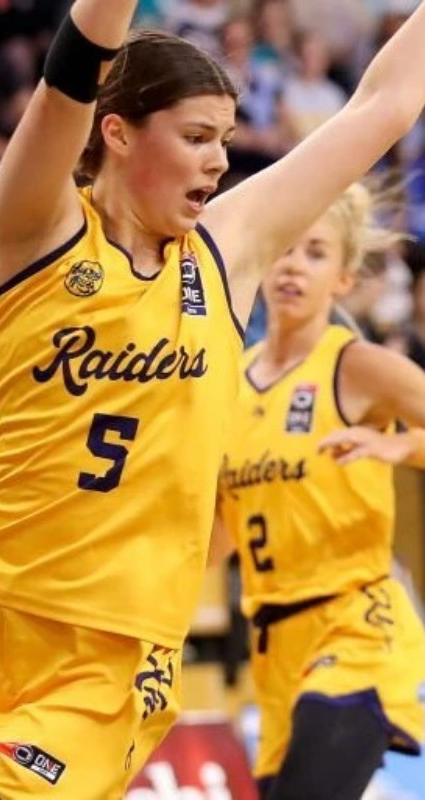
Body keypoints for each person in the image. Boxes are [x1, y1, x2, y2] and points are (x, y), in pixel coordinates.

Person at [0, 1, 425, 799]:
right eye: (195, 137)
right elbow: (69, 72)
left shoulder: (227, 252)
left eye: (224, 140)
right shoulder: (38, 228)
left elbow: (382, 105)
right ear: (115, 132)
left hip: (104, 658)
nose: (218, 162)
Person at [215, 183, 425, 800]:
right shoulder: (229, 383)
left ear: (343, 279)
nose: (293, 266)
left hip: (354, 626)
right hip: (273, 647)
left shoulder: (355, 365)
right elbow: (218, 539)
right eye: (285, 248)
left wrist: (404, 447)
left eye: (315, 253)